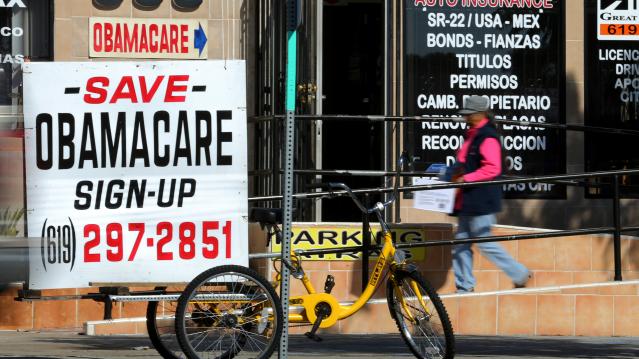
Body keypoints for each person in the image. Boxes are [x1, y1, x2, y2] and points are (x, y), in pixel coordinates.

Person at [450, 95, 530, 293]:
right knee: (460, 244)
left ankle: (519, 274)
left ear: (479, 114)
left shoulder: (487, 136)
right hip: (468, 200)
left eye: (468, 114)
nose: (465, 117)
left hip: (481, 200)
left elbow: (493, 169)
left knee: (484, 243)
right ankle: (464, 287)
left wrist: (465, 178)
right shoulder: (473, 134)